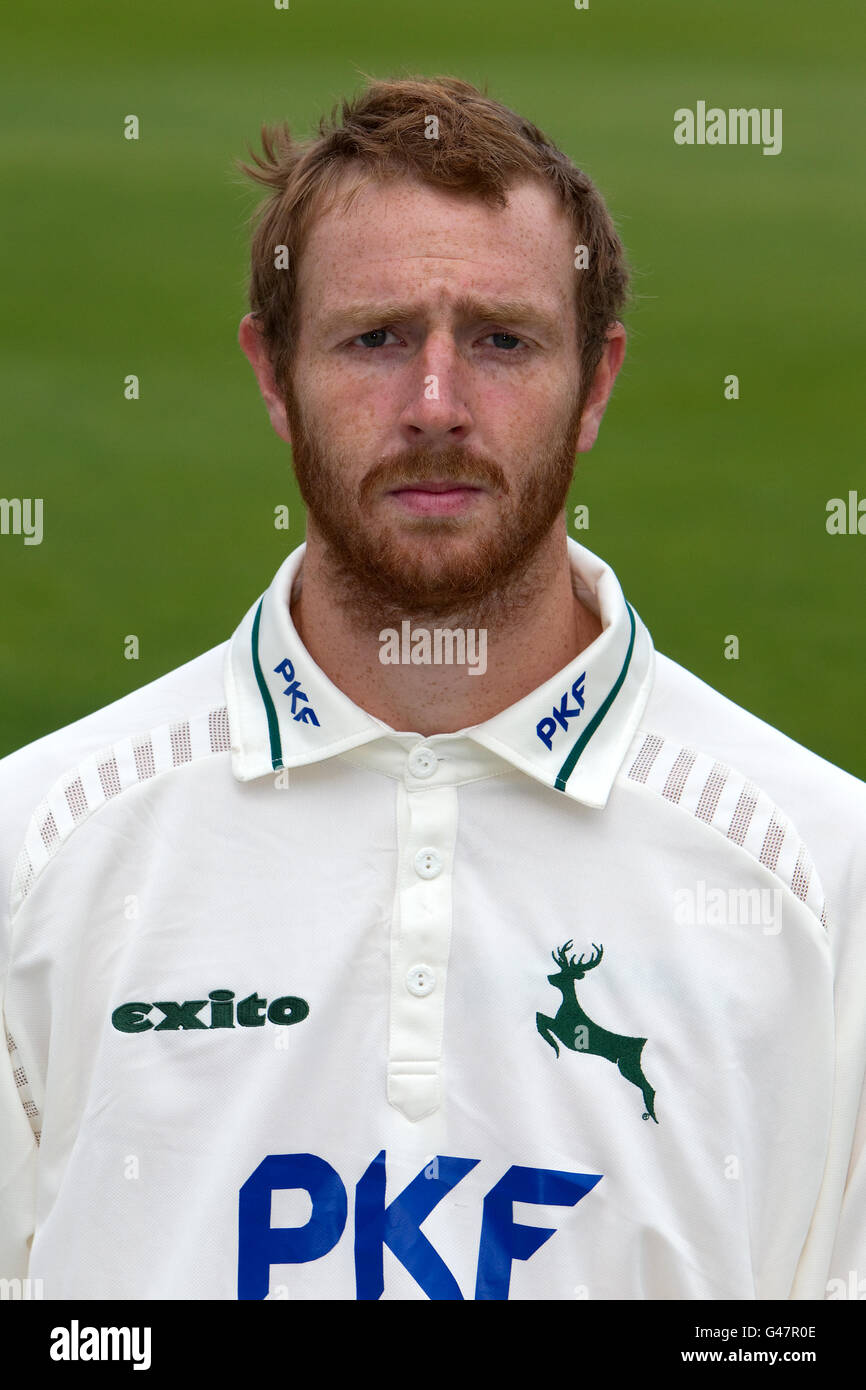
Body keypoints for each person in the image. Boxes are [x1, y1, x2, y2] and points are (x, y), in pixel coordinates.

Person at [0, 75, 863, 1302]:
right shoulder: (35, 851)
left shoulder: (826, 881)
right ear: (270, 372)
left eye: (503, 340)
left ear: (596, 381)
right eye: (376, 337)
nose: (436, 407)